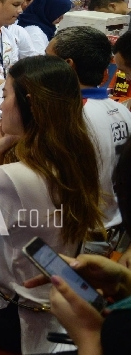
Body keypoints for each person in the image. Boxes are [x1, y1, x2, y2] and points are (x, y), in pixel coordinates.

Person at [0, 56, 104, 354]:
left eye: (5, 96)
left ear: (29, 104)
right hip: (58, 305)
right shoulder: (78, 159)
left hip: (14, 314)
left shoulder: (13, 176)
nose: (0, 106)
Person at [47, 26, 131, 247]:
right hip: (115, 228)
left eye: (48, 61)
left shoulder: (70, 117)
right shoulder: (122, 110)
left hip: (81, 237)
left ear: (67, 65)